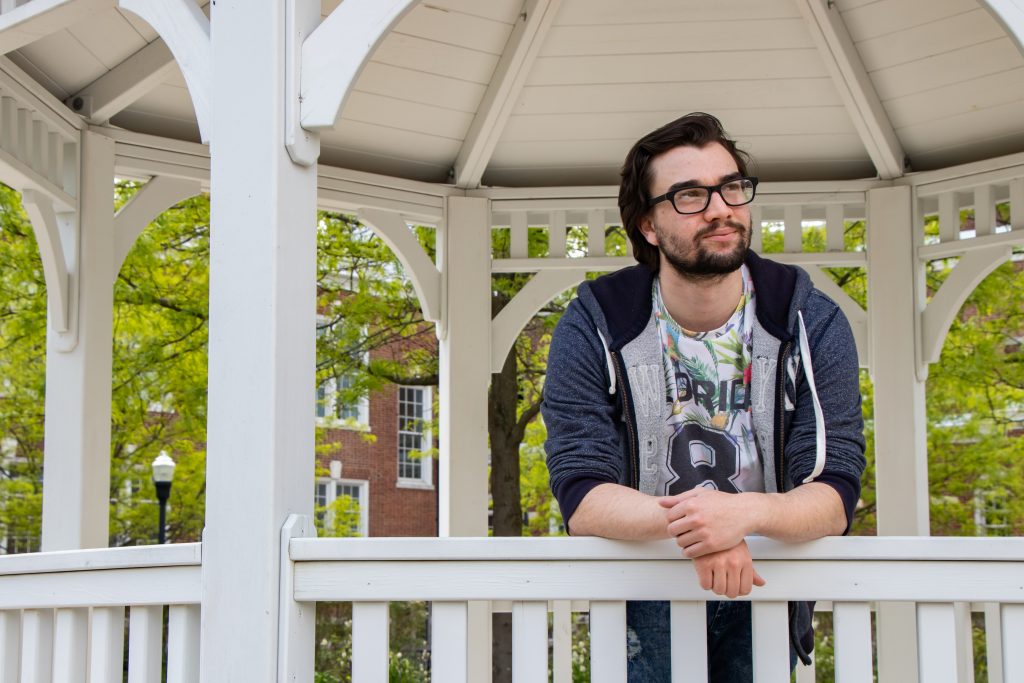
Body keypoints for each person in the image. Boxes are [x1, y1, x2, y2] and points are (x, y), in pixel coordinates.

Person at [542, 112, 866, 681]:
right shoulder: (596, 321)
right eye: (690, 195)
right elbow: (581, 493)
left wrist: (740, 516)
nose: (721, 209)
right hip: (640, 590)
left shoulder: (807, 316)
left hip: (766, 580)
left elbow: (836, 491)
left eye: (732, 188)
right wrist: (703, 532)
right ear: (647, 224)